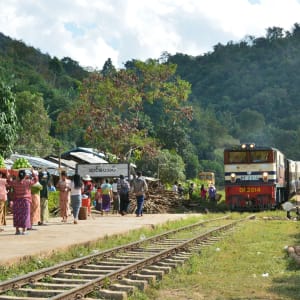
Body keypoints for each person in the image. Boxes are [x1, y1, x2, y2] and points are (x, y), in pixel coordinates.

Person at [8, 168, 38, 235]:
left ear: (18, 175)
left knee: (17, 215)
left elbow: (8, 181)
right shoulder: (28, 182)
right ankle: (24, 231)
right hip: (25, 201)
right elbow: (36, 180)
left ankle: (17, 230)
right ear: (25, 176)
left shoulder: (14, 182)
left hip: (17, 201)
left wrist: (10, 173)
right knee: (25, 215)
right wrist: (32, 172)